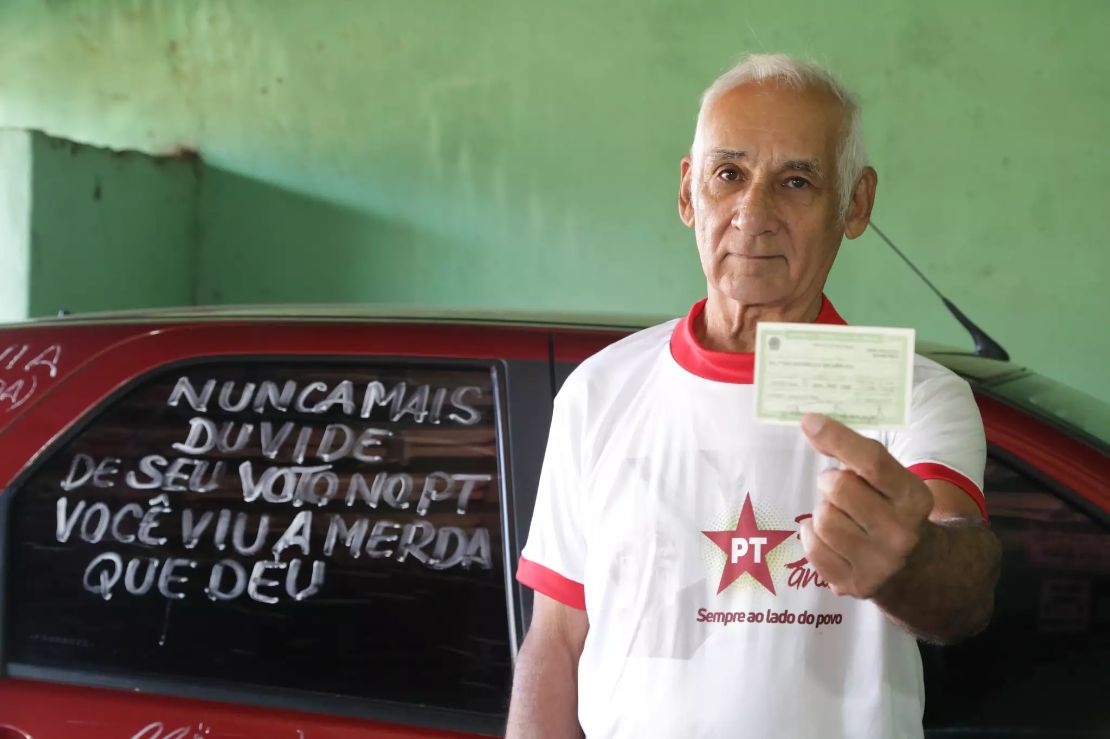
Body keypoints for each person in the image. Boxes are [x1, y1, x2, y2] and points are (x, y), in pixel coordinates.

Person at [505, 53, 1002, 739]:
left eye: (796, 180)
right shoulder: (600, 390)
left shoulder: (912, 393)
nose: (753, 214)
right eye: (729, 175)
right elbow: (555, 642)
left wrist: (910, 563)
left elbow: (964, 589)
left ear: (855, 204)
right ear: (688, 193)